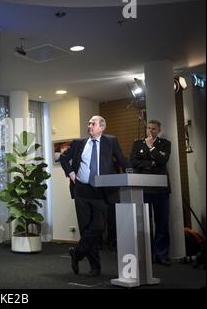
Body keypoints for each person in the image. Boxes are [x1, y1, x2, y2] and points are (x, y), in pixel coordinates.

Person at [59, 116, 129, 277]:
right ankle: (95, 267)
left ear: (102, 127)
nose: (89, 125)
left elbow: (122, 160)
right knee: (85, 229)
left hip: (101, 192)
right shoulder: (79, 143)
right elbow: (63, 158)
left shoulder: (111, 141)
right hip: (82, 191)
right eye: (89, 123)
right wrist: (71, 173)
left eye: (93, 123)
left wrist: (133, 173)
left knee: (98, 227)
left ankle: (76, 253)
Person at [130, 119, 171, 266]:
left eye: (154, 129)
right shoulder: (137, 143)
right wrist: (151, 164)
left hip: (160, 189)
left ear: (159, 130)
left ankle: (162, 255)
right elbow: (133, 162)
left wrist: (152, 148)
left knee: (162, 222)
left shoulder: (165, 144)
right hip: (144, 188)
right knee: (145, 223)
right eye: (148, 128)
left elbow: (163, 160)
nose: (150, 131)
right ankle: (148, 254)